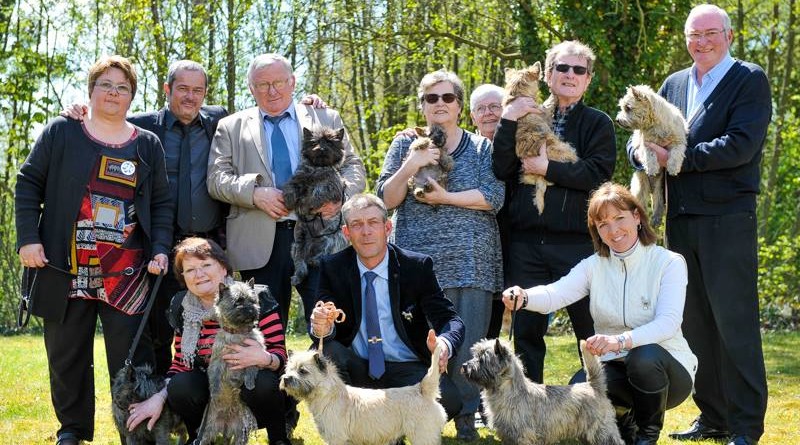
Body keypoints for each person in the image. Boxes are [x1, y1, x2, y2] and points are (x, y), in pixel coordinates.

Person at [15, 55, 173, 445]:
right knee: (67, 356)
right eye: (106, 85)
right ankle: (72, 430)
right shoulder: (62, 132)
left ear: (132, 96)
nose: (114, 93)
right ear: (91, 90)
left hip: (128, 272)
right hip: (64, 266)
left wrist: (160, 248)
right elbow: (28, 183)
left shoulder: (147, 144)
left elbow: (162, 204)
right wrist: (27, 239)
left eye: (123, 87)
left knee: (133, 360)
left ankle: (136, 432)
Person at [631, 5, 771, 445]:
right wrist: (642, 156)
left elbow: (741, 145)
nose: (703, 41)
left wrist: (674, 160)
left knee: (735, 324)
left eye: (712, 33)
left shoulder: (748, 79)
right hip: (682, 219)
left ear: (729, 35)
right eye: (695, 34)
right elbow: (646, 135)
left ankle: (746, 426)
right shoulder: (673, 83)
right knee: (695, 324)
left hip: (728, 218)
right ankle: (714, 418)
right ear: (686, 38)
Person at [502, 182, 697, 445]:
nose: (613, 230)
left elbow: (668, 323)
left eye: (619, 218)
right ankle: (624, 423)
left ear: (637, 217)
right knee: (581, 387)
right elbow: (556, 293)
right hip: (616, 366)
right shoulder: (593, 266)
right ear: (596, 230)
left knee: (644, 356)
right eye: (603, 224)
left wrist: (620, 341)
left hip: (669, 370)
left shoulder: (669, 262)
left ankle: (646, 435)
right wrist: (524, 297)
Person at [376, 70, 504, 441]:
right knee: (416, 341)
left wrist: (445, 198)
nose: (440, 104)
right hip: (416, 263)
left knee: (468, 343)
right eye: (431, 99)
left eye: (447, 98)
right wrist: (412, 165)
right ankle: (411, 416)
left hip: (470, 261)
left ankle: (466, 416)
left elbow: (493, 198)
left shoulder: (481, 148)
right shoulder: (404, 146)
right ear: (422, 106)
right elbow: (385, 199)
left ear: (459, 106)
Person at [207, 53, 366, 328]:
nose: (272, 91)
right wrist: (254, 193)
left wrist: (340, 197)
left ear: (292, 82)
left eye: (279, 82)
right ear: (251, 88)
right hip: (261, 240)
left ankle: (329, 370)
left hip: (321, 234)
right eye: (263, 84)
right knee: (266, 328)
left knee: (331, 323)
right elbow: (216, 178)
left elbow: (353, 166)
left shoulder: (324, 116)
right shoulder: (231, 126)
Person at [492, 40, 616, 383]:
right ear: (548, 74)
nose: (570, 75)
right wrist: (507, 120)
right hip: (525, 244)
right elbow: (502, 168)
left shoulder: (598, 124)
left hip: (576, 245)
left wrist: (549, 168)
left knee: (589, 332)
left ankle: (607, 408)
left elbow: (598, 174)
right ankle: (529, 412)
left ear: (588, 79)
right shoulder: (526, 115)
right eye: (563, 67)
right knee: (527, 335)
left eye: (579, 70)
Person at [309, 194, 466, 422]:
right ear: (346, 233)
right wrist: (321, 325)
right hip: (358, 369)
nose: (366, 232)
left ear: (387, 227)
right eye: (357, 225)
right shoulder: (332, 268)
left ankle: (389, 429)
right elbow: (322, 326)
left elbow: (451, 320)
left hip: (406, 366)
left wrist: (443, 344)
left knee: (449, 400)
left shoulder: (416, 267)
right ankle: (350, 426)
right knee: (330, 351)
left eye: (373, 223)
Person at [124, 237, 290, 444]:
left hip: (253, 393)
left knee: (262, 381)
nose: (199, 274)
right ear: (183, 277)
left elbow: (282, 357)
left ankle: (279, 438)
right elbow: (180, 365)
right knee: (181, 385)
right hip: (213, 391)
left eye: (206, 265)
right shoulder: (183, 307)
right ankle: (200, 437)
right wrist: (159, 397)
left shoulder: (254, 297)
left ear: (223, 268)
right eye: (190, 269)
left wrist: (265, 359)